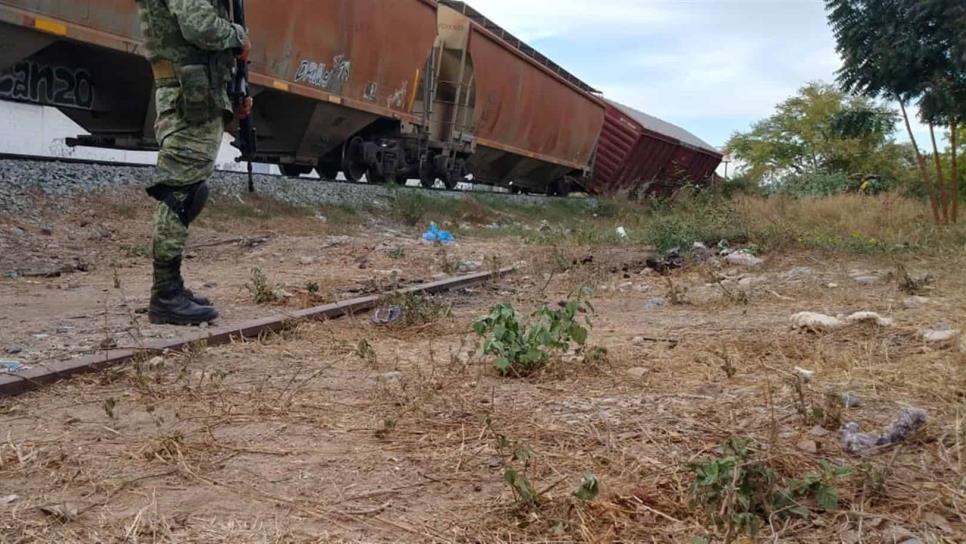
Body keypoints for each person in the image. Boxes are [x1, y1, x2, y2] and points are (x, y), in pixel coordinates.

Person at [135, 0, 253, 325]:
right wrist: (238, 36)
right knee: (180, 192)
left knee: (187, 190)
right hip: (186, 94)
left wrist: (231, 95)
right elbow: (198, 25)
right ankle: (165, 295)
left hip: (196, 92)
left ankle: (170, 288)